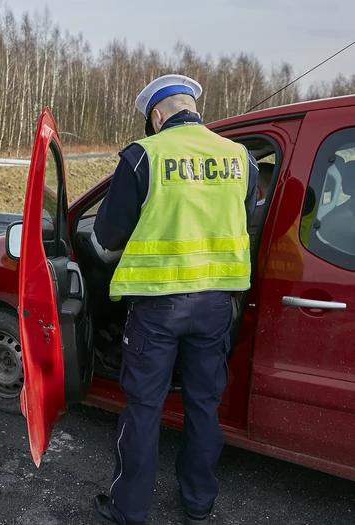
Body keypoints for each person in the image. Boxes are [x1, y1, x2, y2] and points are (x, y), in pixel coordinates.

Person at [91, 75, 258, 525]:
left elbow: (106, 234)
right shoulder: (241, 158)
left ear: (157, 116)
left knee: (144, 408)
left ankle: (129, 509)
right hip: (216, 306)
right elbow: (246, 222)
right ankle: (199, 503)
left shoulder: (144, 155)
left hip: (157, 307)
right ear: (193, 110)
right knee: (204, 404)